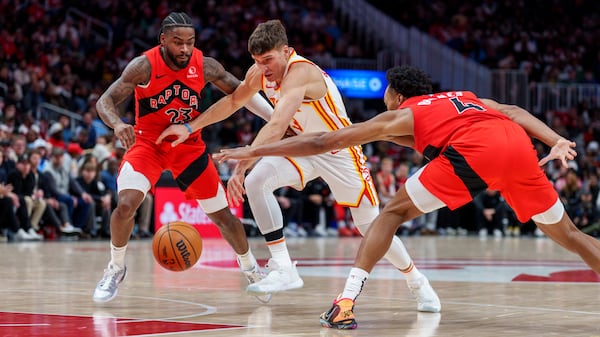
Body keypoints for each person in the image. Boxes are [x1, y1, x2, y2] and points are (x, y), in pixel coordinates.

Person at [210, 65, 600, 330]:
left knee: (390, 213)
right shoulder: (462, 97)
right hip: (517, 147)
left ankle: (345, 303)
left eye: (386, 94)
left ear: (396, 96)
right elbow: (512, 110)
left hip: (475, 151)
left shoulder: (401, 114)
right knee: (570, 235)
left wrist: (253, 151)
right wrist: (557, 140)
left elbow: (324, 140)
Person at [157, 20, 440, 313]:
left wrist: (242, 165)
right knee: (257, 183)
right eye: (257, 61)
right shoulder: (259, 73)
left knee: (369, 226)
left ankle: (416, 282)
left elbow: (278, 124)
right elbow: (232, 102)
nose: (264, 68)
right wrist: (190, 126)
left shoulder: (301, 72)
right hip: (304, 147)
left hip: (339, 149)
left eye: (268, 60)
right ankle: (283, 266)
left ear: (286, 50)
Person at [92, 12, 274, 304]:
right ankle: (115, 267)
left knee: (223, 217)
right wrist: (117, 124)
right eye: (178, 42)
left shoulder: (205, 65)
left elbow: (242, 92)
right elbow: (105, 101)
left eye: (190, 42)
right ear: (163, 40)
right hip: (148, 144)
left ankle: (251, 269)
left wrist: (275, 118)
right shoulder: (143, 66)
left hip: (187, 146)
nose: (185, 49)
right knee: (126, 204)